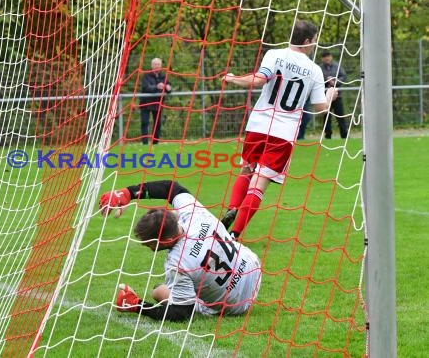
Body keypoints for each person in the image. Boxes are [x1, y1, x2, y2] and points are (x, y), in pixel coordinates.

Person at [220, 20, 338, 237]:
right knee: (259, 183)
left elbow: (258, 80)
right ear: (306, 41)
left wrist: (233, 79)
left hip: (258, 124)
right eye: (313, 41)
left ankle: (233, 208)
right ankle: (235, 233)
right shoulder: (314, 70)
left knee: (246, 169)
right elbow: (321, 107)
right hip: (283, 133)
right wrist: (331, 95)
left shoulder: (274, 54)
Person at [99, 180, 262, 321]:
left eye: (149, 242)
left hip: (237, 305)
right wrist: (129, 192)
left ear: (167, 240)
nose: (146, 245)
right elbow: (171, 187)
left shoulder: (176, 265)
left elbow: (182, 313)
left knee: (158, 291)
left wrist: (137, 305)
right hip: (253, 268)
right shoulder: (194, 213)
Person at [139, 58, 172, 145]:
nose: (157, 66)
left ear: (161, 66)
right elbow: (146, 87)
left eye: (158, 64)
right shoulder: (146, 75)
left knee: (157, 123)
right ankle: (145, 143)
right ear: (152, 65)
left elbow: (168, 86)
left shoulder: (163, 76)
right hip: (146, 103)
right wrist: (156, 87)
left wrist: (168, 88)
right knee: (145, 122)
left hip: (157, 103)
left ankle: (155, 143)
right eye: (155, 64)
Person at [319, 51, 348, 139]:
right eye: (324, 56)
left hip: (337, 96)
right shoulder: (319, 68)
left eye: (328, 56)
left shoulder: (337, 66)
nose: (327, 58)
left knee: (340, 116)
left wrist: (335, 82)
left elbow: (343, 76)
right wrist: (326, 81)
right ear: (322, 59)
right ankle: (328, 136)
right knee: (326, 116)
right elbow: (317, 79)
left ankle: (344, 135)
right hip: (325, 97)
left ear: (331, 57)